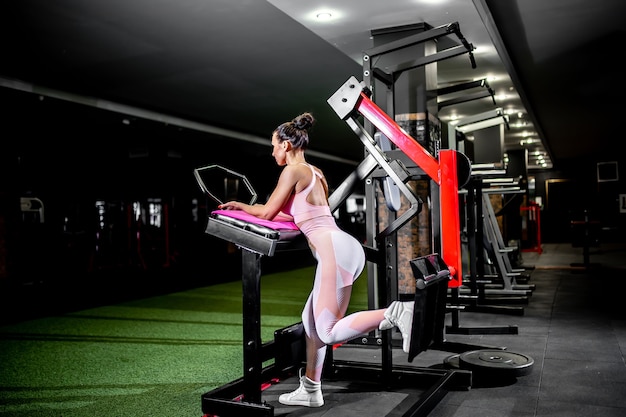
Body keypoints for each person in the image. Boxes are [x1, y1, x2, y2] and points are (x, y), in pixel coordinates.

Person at [218, 112, 414, 408]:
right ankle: (311, 388)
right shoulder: (315, 172)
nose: (272, 152)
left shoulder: (293, 171)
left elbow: (268, 213)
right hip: (344, 247)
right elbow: (289, 215)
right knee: (311, 323)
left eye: (274, 146)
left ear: (286, 144)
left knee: (327, 330)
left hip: (335, 251)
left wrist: (241, 207)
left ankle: (397, 313)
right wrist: (251, 208)